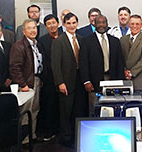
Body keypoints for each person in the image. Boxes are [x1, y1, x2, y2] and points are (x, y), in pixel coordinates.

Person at [51, 13, 87, 147]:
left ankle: (77, 137)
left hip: (79, 80)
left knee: (78, 110)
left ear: (77, 24)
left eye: (74, 23)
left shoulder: (82, 39)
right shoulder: (59, 41)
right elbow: (55, 65)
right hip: (66, 82)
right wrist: (60, 82)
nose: (71, 25)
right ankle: (66, 138)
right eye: (68, 23)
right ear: (64, 25)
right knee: (66, 111)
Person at [79, 15, 124, 115]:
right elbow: (83, 63)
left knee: (112, 109)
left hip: (112, 80)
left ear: (107, 24)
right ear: (94, 24)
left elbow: (120, 63)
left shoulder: (115, 41)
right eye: (98, 23)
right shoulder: (86, 41)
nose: (101, 25)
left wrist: (121, 83)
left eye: (103, 22)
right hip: (94, 82)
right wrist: (86, 81)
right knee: (94, 109)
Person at [9, 19, 44, 143]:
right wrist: (22, 84)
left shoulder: (36, 44)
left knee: (34, 110)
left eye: (34, 28)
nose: (33, 30)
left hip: (36, 80)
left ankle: (31, 135)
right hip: (26, 83)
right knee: (25, 112)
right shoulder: (18, 46)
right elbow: (14, 68)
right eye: (29, 28)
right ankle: (24, 140)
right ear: (24, 31)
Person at [120, 15, 142, 124]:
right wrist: (124, 71)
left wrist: (131, 72)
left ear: (141, 25)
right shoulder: (123, 40)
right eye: (132, 24)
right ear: (129, 24)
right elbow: (119, 58)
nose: (135, 26)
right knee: (127, 110)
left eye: (137, 24)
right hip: (125, 80)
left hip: (140, 80)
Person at [38, 14, 62, 141]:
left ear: (58, 23)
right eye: (49, 24)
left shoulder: (65, 36)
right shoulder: (42, 41)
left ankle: (62, 130)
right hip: (49, 79)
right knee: (50, 105)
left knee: (63, 105)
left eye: (54, 22)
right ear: (46, 26)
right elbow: (43, 61)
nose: (52, 25)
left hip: (65, 78)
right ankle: (50, 131)